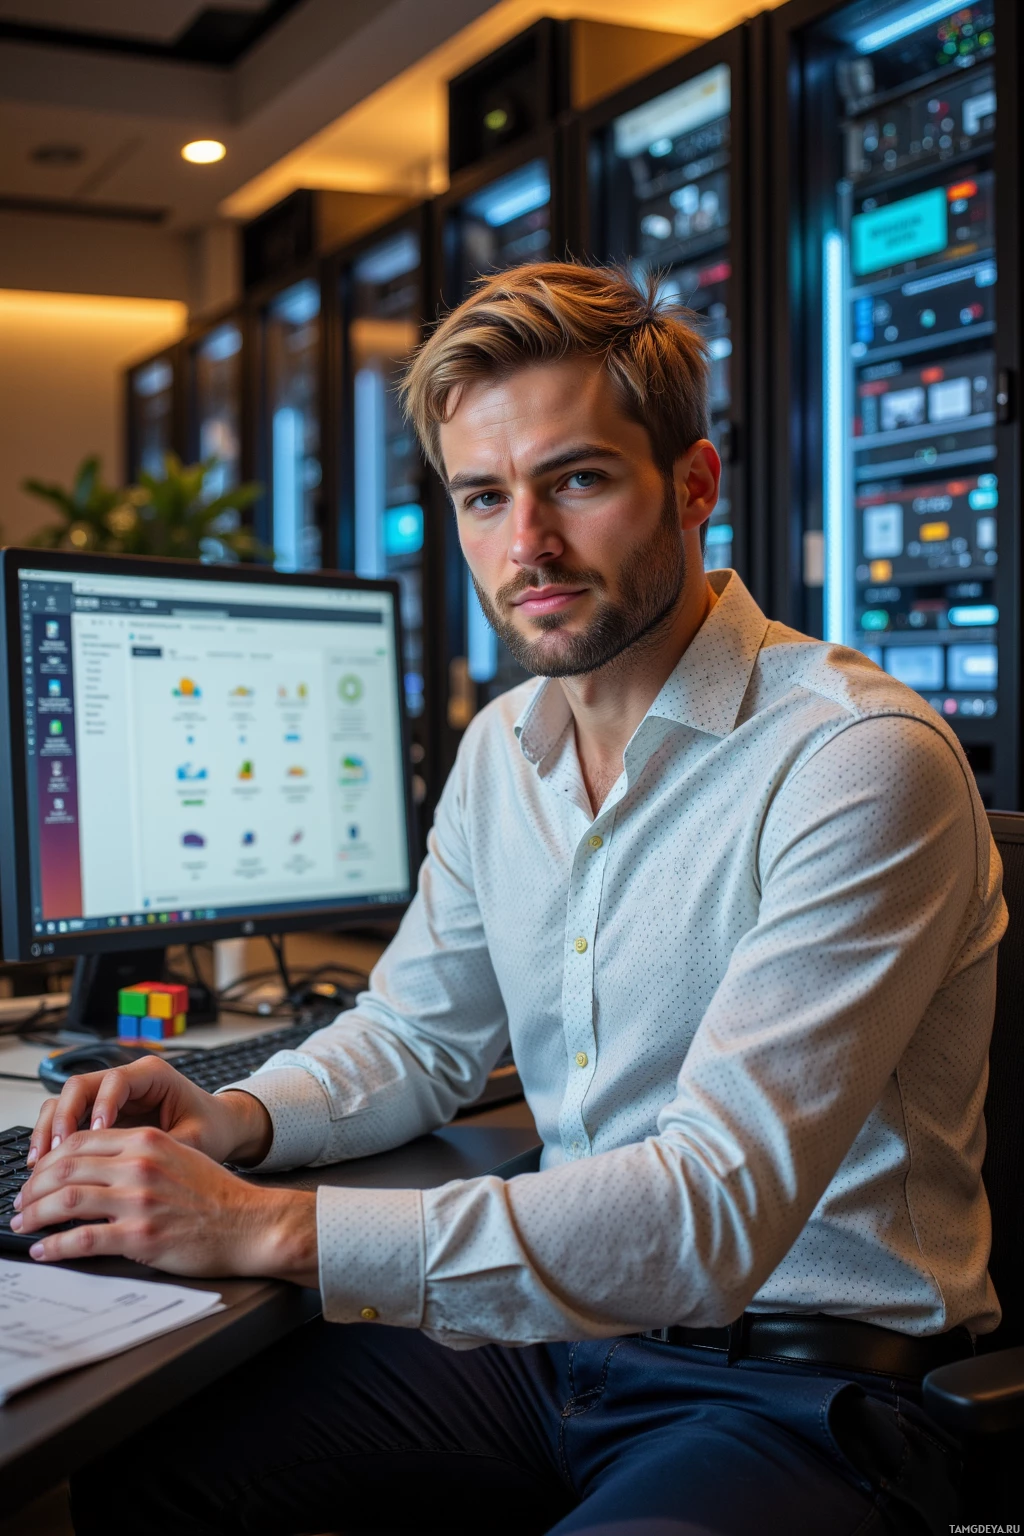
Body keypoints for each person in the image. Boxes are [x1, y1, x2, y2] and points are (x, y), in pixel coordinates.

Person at [19, 263, 1004, 1536]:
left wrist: (271, 1230)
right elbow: (421, 1034)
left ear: (694, 485)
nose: (524, 545)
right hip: (552, 1344)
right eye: (484, 497)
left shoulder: (856, 759)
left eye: (576, 480)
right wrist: (238, 1117)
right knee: (150, 1469)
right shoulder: (505, 748)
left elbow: (711, 1211)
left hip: (801, 1386)